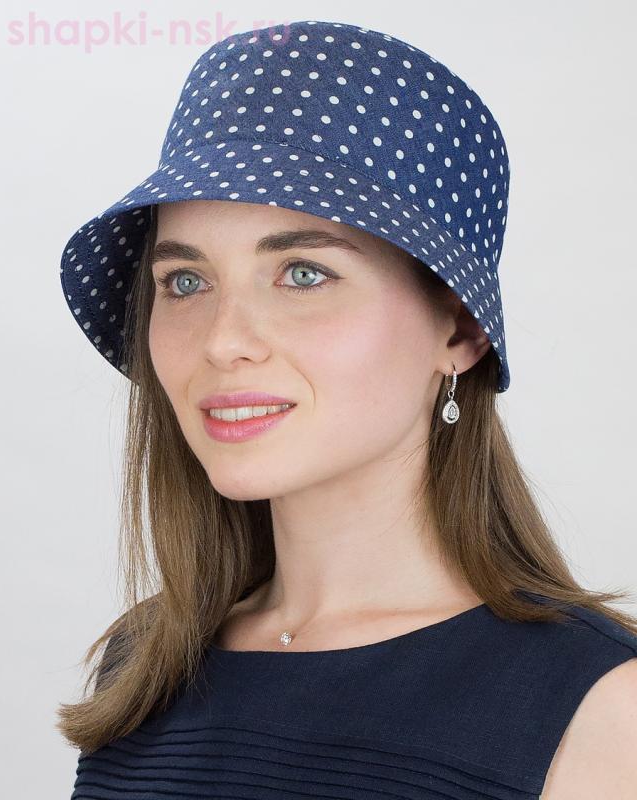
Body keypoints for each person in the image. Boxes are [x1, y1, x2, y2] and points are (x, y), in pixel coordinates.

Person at [57, 19, 637, 799]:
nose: (223, 342)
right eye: (185, 282)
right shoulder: (144, 664)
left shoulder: (599, 712)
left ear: (459, 330)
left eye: (303, 274)